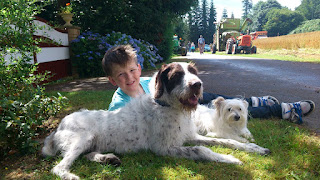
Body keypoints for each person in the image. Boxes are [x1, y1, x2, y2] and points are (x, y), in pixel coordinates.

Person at [101, 45, 315, 124]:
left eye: (132, 71)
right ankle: (284, 110)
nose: (130, 78)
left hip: (186, 103)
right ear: (112, 81)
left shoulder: (150, 81)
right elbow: (121, 125)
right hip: (183, 117)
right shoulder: (119, 104)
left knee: (214, 96)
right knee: (223, 113)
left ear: (138, 68)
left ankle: (252, 101)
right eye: (121, 75)